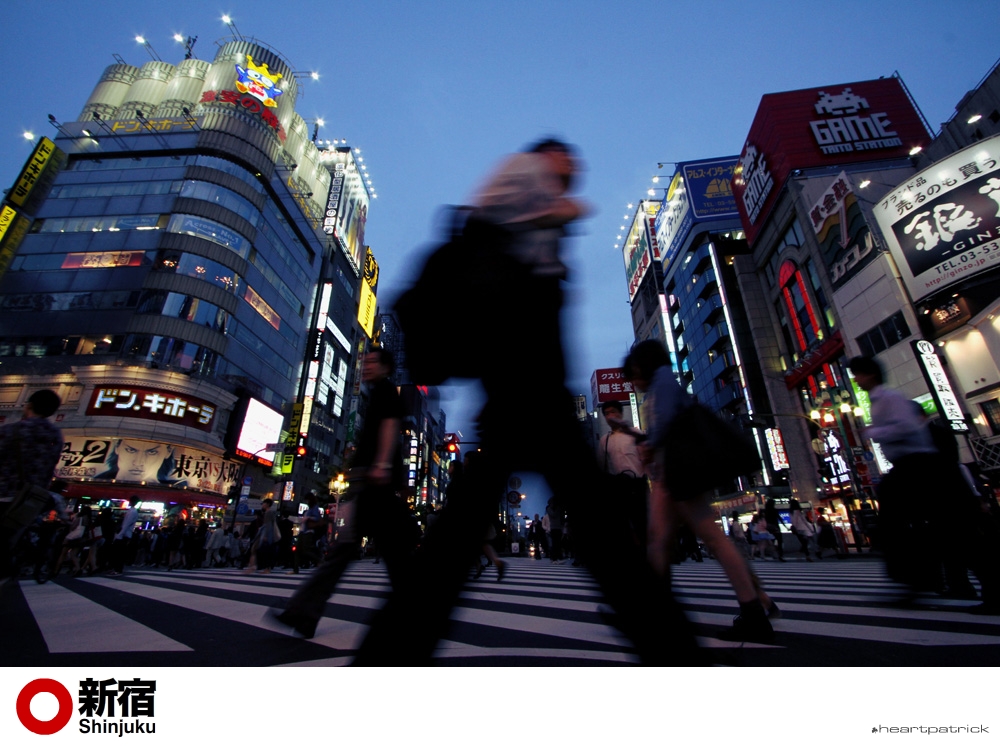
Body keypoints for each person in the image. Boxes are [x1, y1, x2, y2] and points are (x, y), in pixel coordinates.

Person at [353, 141, 701, 666]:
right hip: (529, 394)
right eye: (569, 164)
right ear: (550, 155)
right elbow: (558, 213)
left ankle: (389, 652)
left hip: (523, 397)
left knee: (461, 540)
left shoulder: (521, 203)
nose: (574, 176)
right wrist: (567, 211)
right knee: (600, 540)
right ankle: (674, 652)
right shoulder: (527, 173)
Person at [622, 339, 775, 643]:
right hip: (672, 476)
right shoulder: (660, 384)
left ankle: (752, 610)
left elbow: (665, 423)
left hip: (679, 474)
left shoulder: (663, 380)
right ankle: (658, 610)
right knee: (661, 541)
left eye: (634, 374)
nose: (633, 382)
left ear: (644, 365)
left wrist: (650, 445)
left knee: (708, 539)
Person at [269, 347, 419, 639]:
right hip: (370, 484)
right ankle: (304, 614)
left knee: (353, 554)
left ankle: (303, 613)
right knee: (383, 555)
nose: (366, 365)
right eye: (365, 361)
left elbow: (390, 427)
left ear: (386, 367)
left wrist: (380, 465)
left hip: (375, 486)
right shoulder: (376, 393)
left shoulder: (387, 392)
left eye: (372, 362)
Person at [0, 389, 63, 581]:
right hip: (31, 502)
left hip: (5, 494)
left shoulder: (13, 430)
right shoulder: (56, 436)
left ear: (29, 405)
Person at [596, 400, 648, 547]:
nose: (610, 416)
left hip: (637, 484)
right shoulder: (604, 440)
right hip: (618, 486)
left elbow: (647, 460)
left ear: (621, 413)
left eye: (613, 412)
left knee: (642, 523)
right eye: (607, 414)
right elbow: (601, 466)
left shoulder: (636, 434)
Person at [108, 496, 140, 576]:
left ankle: (117, 569)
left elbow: (126, 524)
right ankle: (117, 569)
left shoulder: (132, 512)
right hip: (125, 534)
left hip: (124, 535)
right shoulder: (133, 511)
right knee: (119, 553)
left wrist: (119, 534)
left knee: (119, 553)